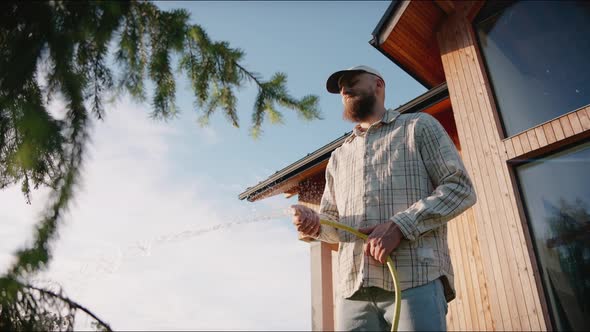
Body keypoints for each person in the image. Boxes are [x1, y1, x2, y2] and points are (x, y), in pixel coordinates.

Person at [291, 65, 477, 331]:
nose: (344, 90)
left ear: (378, 84)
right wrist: (316, 224)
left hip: (415, 279)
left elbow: (460, 188)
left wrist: (400, 226)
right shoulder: (339, 158)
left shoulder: (418, 127)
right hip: (352, 292)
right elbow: (334, 226)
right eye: (341, 88)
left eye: (352, 81)